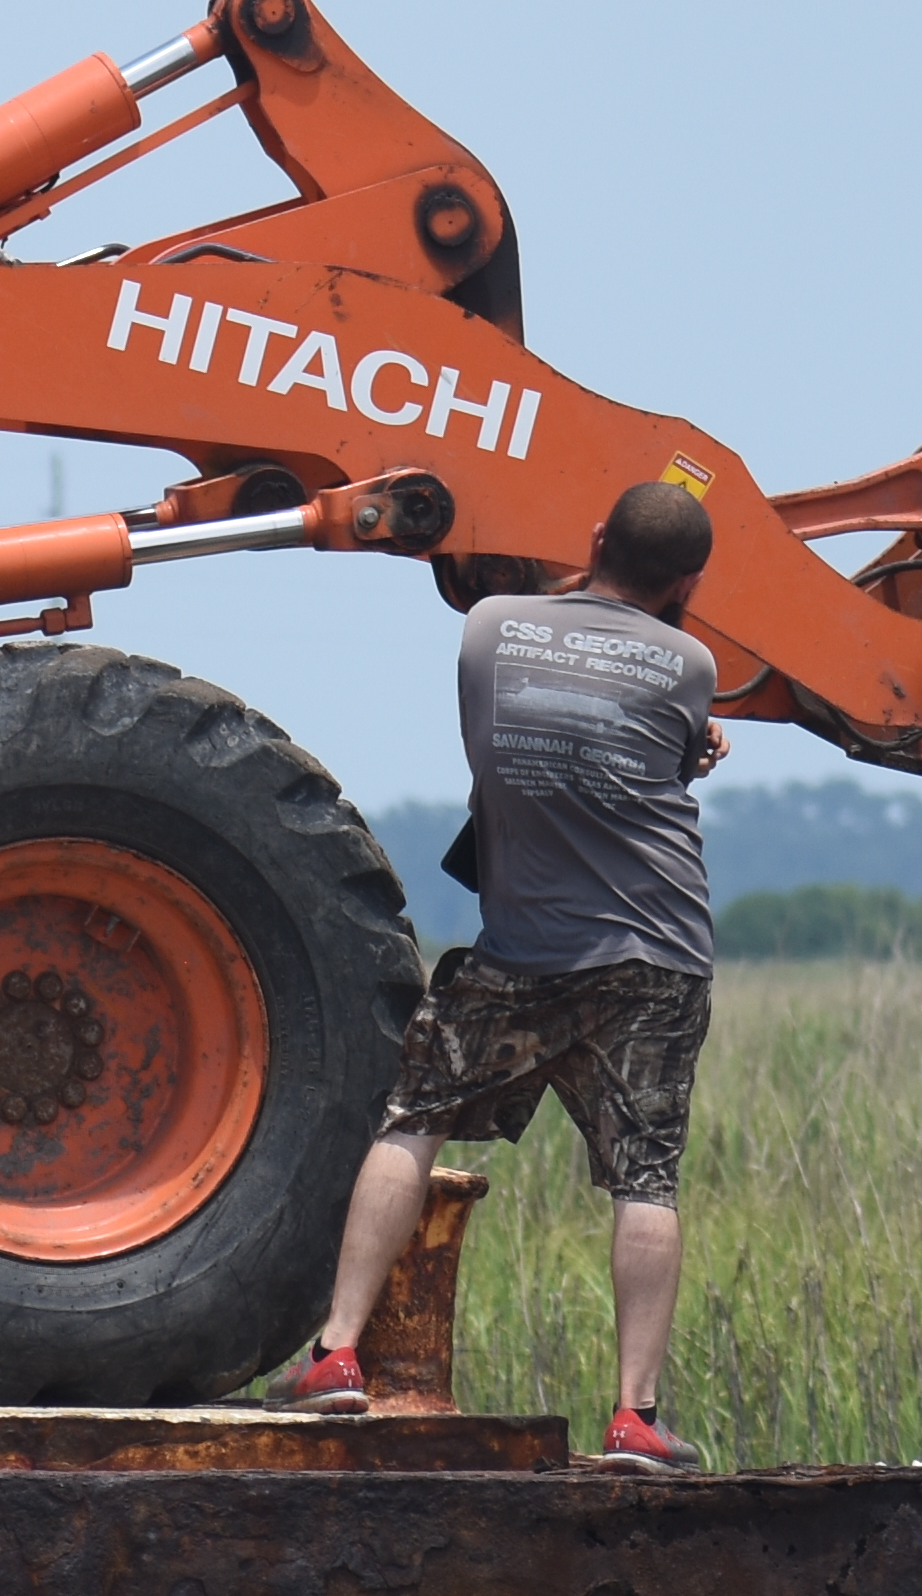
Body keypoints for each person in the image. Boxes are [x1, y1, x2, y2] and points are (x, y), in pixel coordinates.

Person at [280, 477, 727, 1469]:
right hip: (659, 951)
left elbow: (562, 734)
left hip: (522, 950)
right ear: (690, 576)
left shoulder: (488, 628)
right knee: (645, 1176)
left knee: (413, 1117)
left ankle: (337, 1355)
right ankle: (635, 1418)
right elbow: (647, 750)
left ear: (596, 532)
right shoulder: (692, 663)